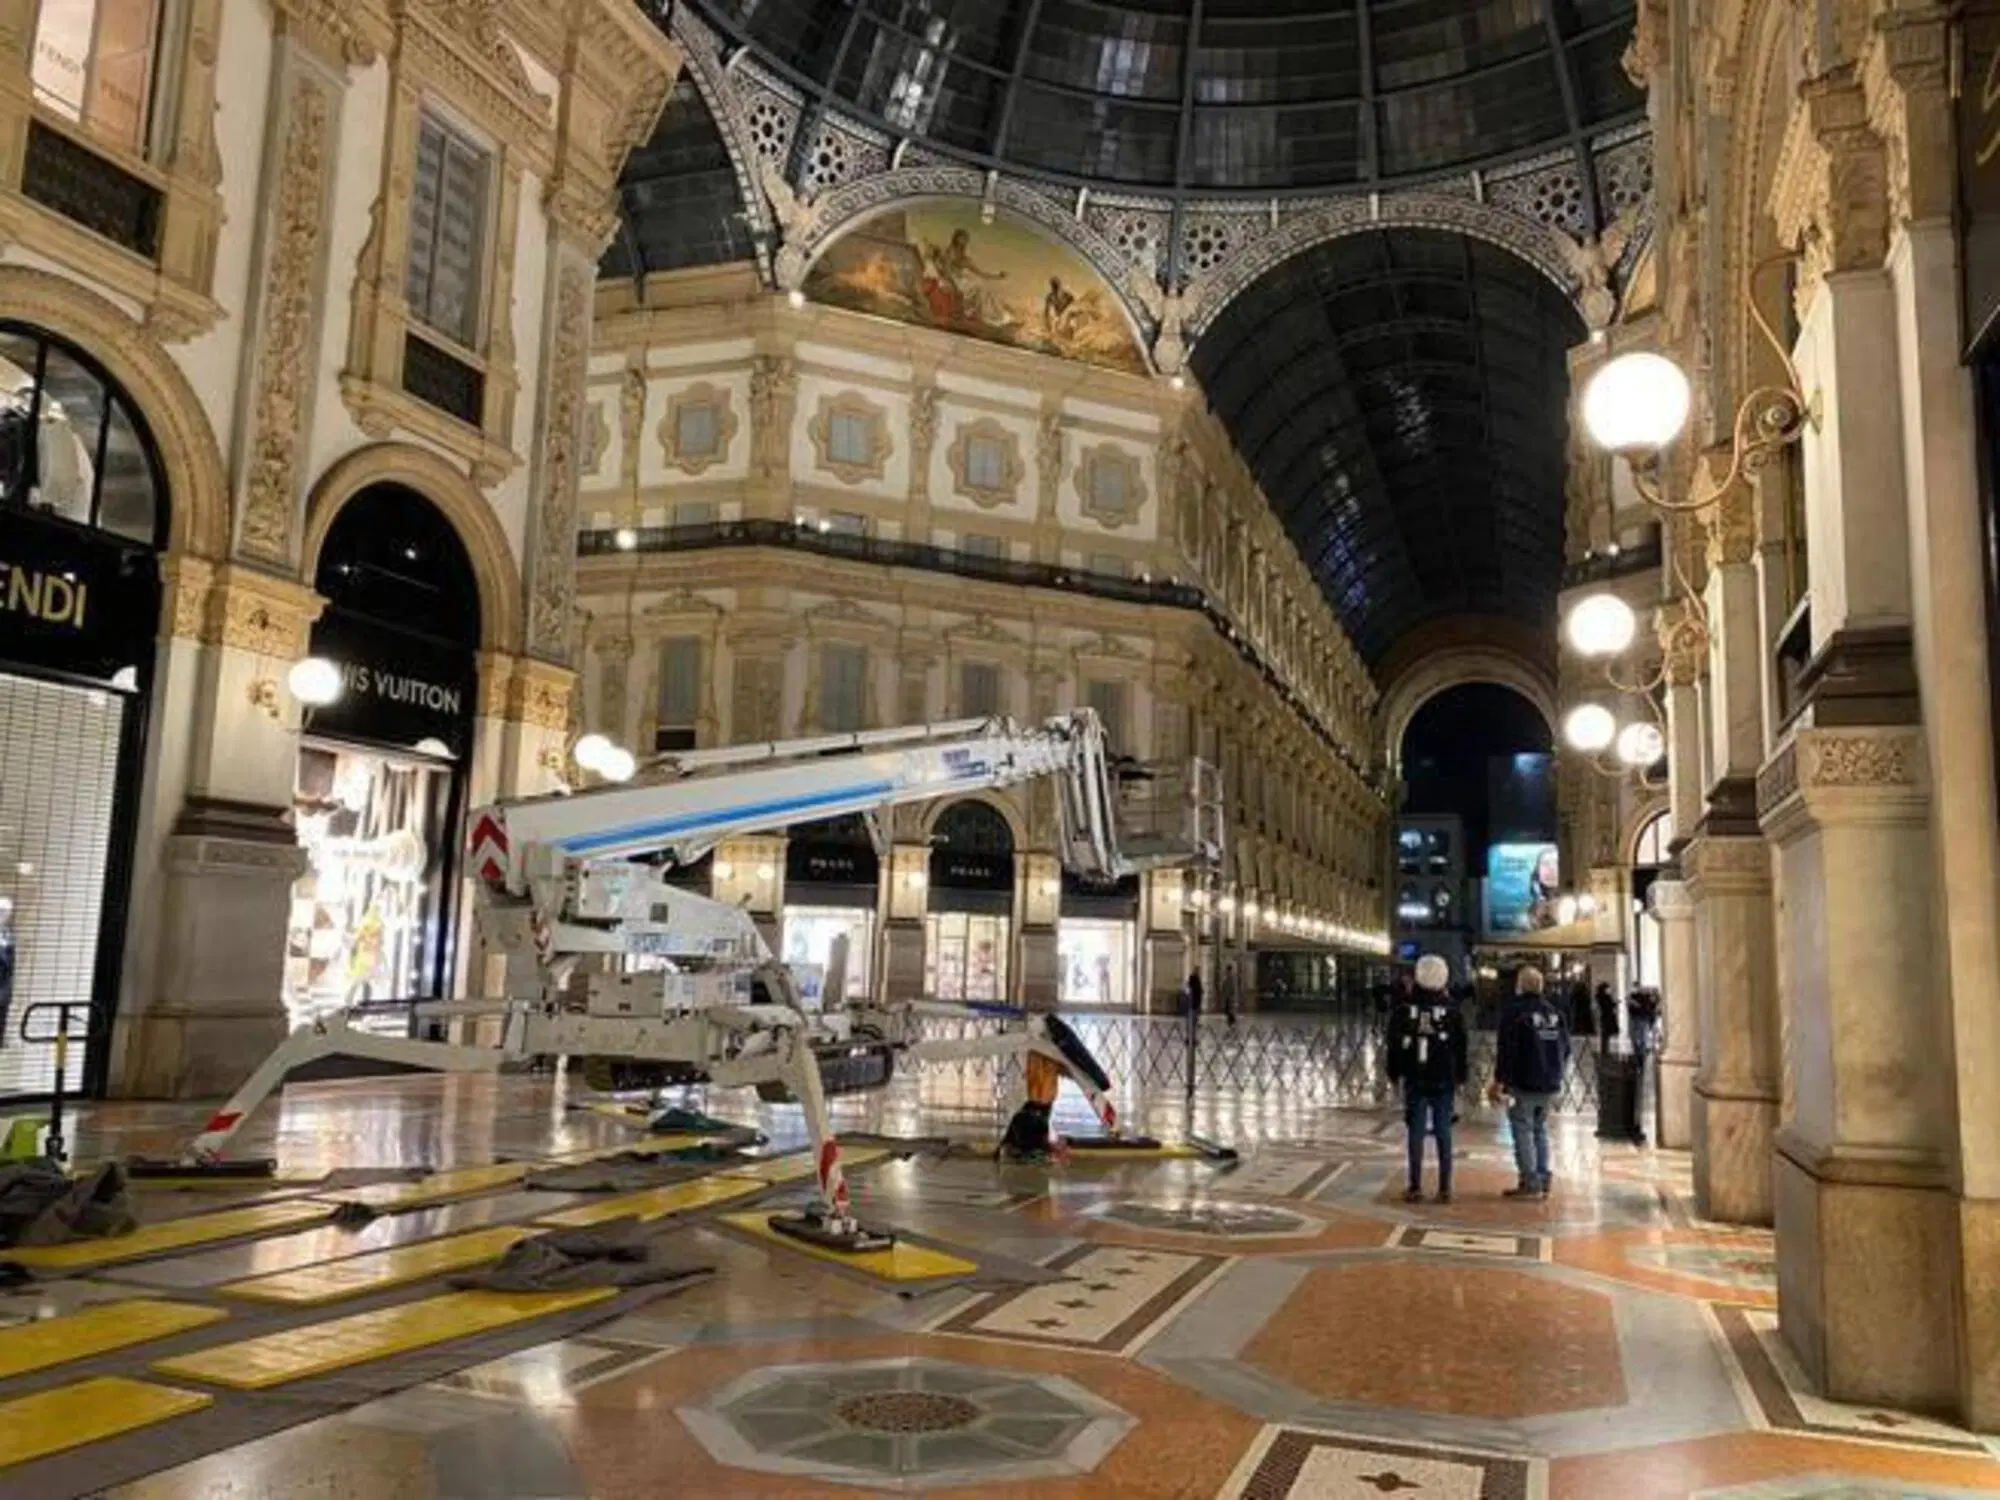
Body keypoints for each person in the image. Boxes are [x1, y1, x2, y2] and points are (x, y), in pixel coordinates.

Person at [1386, 954, 1468, 1203]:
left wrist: (1393, 1073)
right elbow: (1461, 1047)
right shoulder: (1453, 1012)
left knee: (1416, 1130)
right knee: (1444, 1130)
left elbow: (1394, 1046)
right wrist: (1461, 1077)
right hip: (1443, 1077)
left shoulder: (1403, 1009)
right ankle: (1444, 1187)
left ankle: (1415, 1186)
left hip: (1414, 1076)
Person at [1492, 966, 1569, 1199]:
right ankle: (1544, 1177)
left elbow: (1507, 1050)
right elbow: (1566, 1048)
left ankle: (1530, 1182)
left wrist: (1500, 1080)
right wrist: (1556, 1071)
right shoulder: (1555, 1014)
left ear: (1520, 986)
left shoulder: (1514, 1013)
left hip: (1523, 1082)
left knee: (1522, 1129)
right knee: (1540, 1129)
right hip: (1549, 1082)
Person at [1594, 982, 1620, 1049]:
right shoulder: (1603, 997)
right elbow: (1607, 1006)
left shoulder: (1605, 997)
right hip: (1606, 1017)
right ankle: (1605, 1050)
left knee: (1606, 1035)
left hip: (1606, 1017)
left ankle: (1605, 1049)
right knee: (1605, 1035)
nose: (1609, 990)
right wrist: (1615, 1003)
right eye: (1608, 989)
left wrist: (1615, 1003)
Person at [1221, 962, 1239, 1028]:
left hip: (1230, 998)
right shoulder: (1226, 978)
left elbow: (1234, 989)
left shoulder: (1232, 978)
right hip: (1227, 998)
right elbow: (1223, 988)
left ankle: (1232, 1023)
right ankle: (1231, 1023)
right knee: (1228, 1011)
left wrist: (1234, 998)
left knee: (1230, 1011)